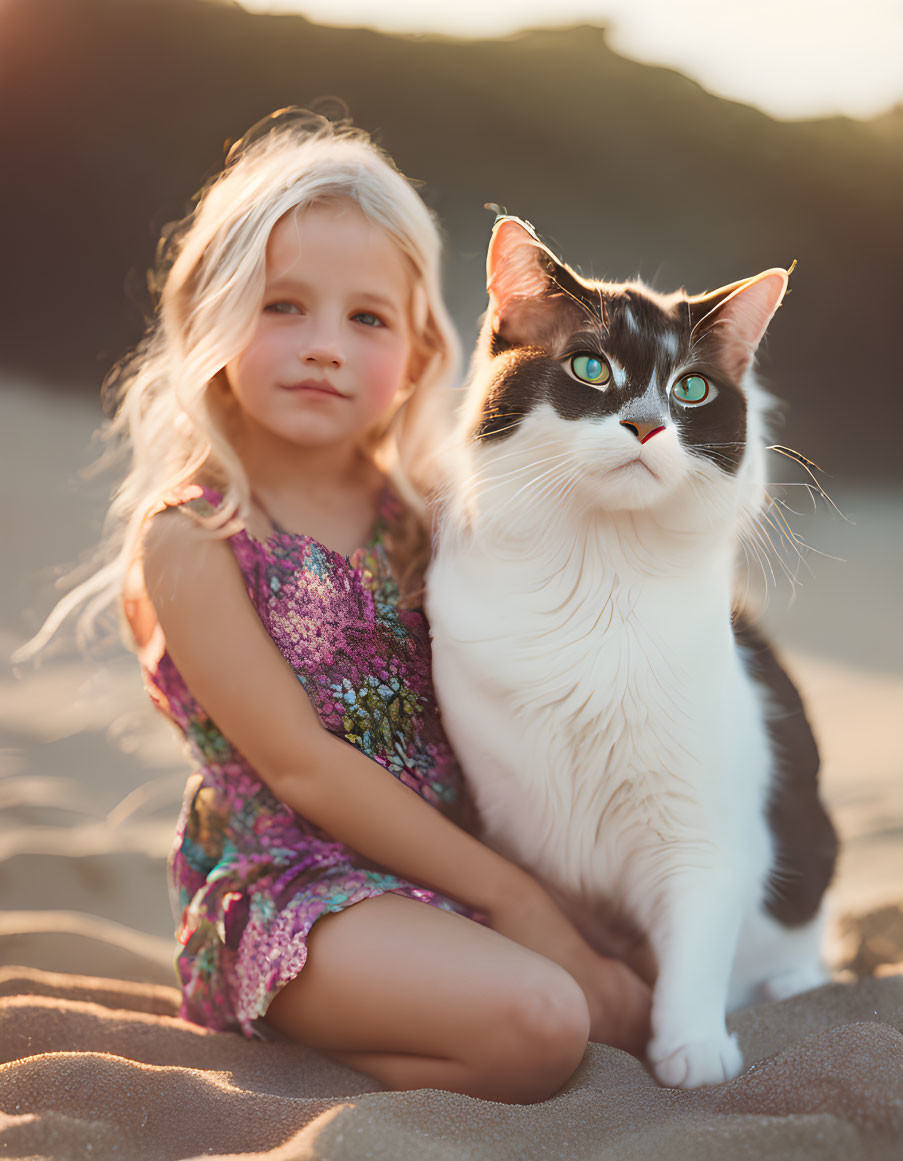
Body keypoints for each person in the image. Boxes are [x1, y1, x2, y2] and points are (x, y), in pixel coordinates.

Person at [20, 109, 651, 1104]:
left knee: (659, 967)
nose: (324, 346)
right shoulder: (196, 537)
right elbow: (301, 765)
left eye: (367, 319)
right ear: (212, 317)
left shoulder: (430, 511)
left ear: (415, 352)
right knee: (544, 1021)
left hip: (462, 860)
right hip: (301, 892)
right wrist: (519, 903)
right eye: (282, 307)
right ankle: (286, 1047)